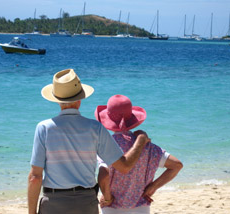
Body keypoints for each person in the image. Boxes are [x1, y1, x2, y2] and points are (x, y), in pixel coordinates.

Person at [28, 69, 151, 214]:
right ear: (80, 101)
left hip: (54, 202)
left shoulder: (44, 128)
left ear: (58, 101)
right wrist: (141, 140)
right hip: (86, 202)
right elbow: (124, 166)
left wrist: (31, 212)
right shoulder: (95, 128)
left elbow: (35, 178)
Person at [95, 94, 183, 214]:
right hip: (141, 206)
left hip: (112, 208)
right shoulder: (148, 147)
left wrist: (107, 197)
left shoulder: (106, 145)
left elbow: (104, 174)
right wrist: (153, 187)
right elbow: (177, 165)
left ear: (108, 119)